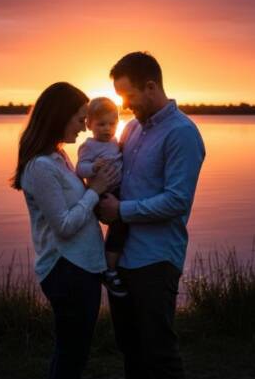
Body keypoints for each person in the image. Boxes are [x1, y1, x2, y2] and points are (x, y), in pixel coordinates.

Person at [99, 51, 205, 379]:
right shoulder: (130, 129)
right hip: (122, 258)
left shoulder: (182, 133)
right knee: (130, 348)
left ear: (150, 86)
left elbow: (177, 201)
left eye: (128, 95)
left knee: (158, 353)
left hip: (156, 259)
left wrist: (121, 210)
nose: (124, 104)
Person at [11, 82, 121, 379]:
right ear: (60, 116)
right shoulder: (41, 167)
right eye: (80, 119)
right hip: (66, 269)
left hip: (82, 267)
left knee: (75, 352)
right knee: (71, 354)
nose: (85, 128)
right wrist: (94, 191)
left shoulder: (59, 157)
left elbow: (77, 209)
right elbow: (63, 226)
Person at [75, 96, 128, 298]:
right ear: (89, 124)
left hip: (118, 190)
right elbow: (80, 169)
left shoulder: (115, 142)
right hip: (101, 194)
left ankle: (113, 261)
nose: (107, 129)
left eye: (112, 124)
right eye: (101, 124)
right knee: (119, 224)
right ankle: (109, 269)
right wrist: (93, 167)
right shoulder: (89, 146)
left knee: (124, 223)